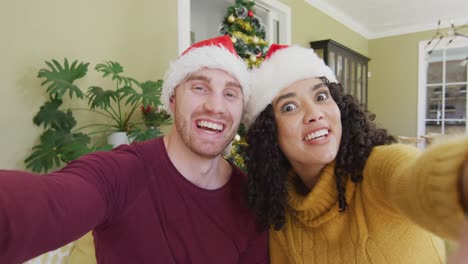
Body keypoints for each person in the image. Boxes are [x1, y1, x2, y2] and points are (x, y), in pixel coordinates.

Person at [0, 35, 268, 264]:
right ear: (172, 101)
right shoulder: (120, 173)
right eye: (200, 87)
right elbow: (45, 204)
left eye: (230, 94)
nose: (216, 107)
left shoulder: (251, 200)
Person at [242, 43, 468, 263]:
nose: (315, 114)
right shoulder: (279, 213)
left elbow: (418, 177)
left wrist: (459, 176)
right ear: (269, 133)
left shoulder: (377, 169)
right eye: (289, 107)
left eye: (321, 97)